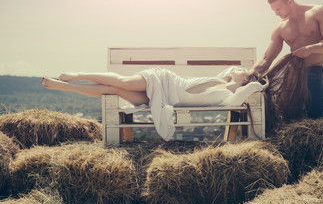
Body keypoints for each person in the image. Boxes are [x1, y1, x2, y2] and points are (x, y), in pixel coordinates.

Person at [42, 67, 268, 140]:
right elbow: (233, 73)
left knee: (112, 90)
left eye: (243, 70)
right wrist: (241, 77)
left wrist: (260, 83)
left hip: (163, 99)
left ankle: (66, 87)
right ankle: (77, 75)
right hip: (163, 79)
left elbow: (250, 89)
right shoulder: (223, 77)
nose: (237, 68)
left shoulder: (228, 97)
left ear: (246, 79)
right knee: (121, 81)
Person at [249, 0, 323, 119]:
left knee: (315, 119)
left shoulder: (319, 12)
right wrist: (249, 75)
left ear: (289, 1)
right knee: (289, 119)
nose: (276, 13)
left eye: (278, 8)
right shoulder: (281, 28)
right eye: (274, 10)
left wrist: (310, 49)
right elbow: (267, 58)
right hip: (292, 77)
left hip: (314, 73)